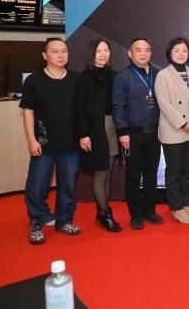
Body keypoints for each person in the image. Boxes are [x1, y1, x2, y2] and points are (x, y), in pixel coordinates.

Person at [20, 37, 81, 244]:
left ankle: (64, 220)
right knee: (37, 186)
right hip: (43, 143)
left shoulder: (76, 79)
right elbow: (28, 112)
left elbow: (82, 112)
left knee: (68, 185)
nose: (61, 55)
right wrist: (31, 140)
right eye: (55, 51)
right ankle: (36, 223)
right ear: (45, 55)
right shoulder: (34, 81)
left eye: (64, 51)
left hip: (70, 143)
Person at [112, 38, 163, 230]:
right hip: (133, 134)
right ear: (130, 53)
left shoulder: (158, 74)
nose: (143, 53)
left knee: (151, 174)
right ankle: (136, 214)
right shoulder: (122, 77)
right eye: (138, 50)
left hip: (155, 133)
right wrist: (122, 132)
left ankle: (150, 210)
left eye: (147, 50)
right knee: (133, 176)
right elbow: (118, 106)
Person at [155, 38, 189, 224]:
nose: (181, 54)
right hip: (174, 130)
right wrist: (183, 123)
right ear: (170, 53)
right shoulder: (163, 75)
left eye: (184, 50)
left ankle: (186, 203)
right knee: (174, 171)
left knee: (187, 171)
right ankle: (176, 207)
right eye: (176, 50)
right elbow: (164, 104)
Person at [75, 38, 122, 232]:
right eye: (98, 51)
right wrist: (83, 134)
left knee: (108, 172)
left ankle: (102, 212)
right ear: (91, 54)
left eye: (106, 50)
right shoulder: (83, 78)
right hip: (95, 130)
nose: (103, 54)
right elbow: (79, 109)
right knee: (101, 173)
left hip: (113, 128)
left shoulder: (115, 75)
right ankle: (105, 213)